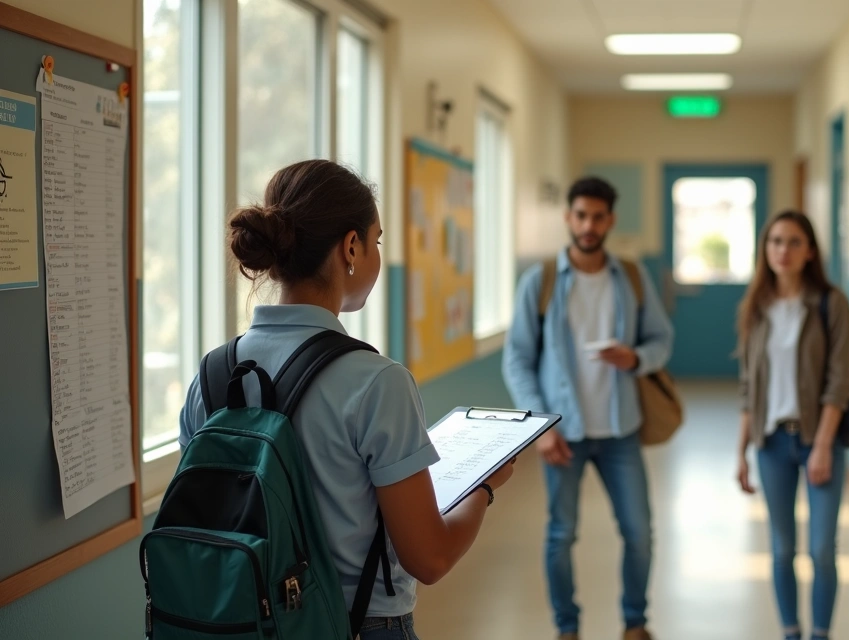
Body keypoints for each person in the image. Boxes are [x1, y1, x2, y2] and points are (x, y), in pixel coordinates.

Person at [178, 159, 514, 640]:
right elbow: (429, 558)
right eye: (376, 241)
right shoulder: (377, 382)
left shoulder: (211, 375)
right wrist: (484, 488)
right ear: (350, 247)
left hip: (235, 623)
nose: (375, 254)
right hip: (359, 626)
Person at [502, 176, 674, 640]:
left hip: (621, 430)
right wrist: (540, 427)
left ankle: (635, 623)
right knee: (562, 536)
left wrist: (636, 358)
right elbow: (517, 360)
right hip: (564, 434)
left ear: (611, 220)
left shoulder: (632, 278)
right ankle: (567, 628)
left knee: (639, 534)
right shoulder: (539, 282)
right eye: (581, 215)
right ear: (568, 218)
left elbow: (662, 339)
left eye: (598, 216)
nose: (589, 225)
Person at [734, 211, 849, 640]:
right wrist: (742, 451)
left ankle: (820, 633)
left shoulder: (830, 303)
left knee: (822, 550)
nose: (783, 250)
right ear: (765, 250)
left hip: (818, 439)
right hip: (770, 444)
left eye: (793, 242)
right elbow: (749, 385)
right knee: (782, 549)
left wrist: (822, 446)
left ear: (810, 251)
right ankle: (790, 631)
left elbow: (840, 381)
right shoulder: (756, 307)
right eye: (775, 241)